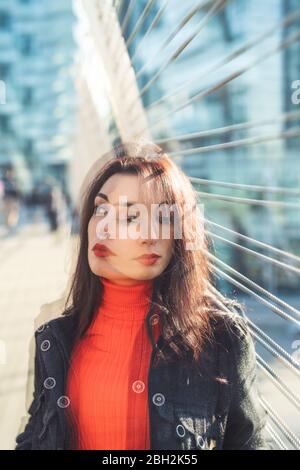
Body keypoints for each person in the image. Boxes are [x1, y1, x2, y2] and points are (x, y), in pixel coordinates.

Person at [15, 140, 268, 450]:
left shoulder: (220, 341)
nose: (103, 229)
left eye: (130, 217)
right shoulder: (55, 339)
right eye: (101, 209)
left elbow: (250, 442)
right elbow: (34, 436)